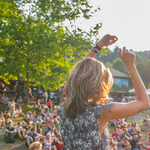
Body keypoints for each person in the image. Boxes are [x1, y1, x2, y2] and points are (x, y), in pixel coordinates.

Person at [59, 34, 149, 149]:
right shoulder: (100, 112)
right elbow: (144, 103)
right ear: (98, 85)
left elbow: (75, 75)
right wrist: (131, 66)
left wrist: (97, 46)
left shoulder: (64, 106)